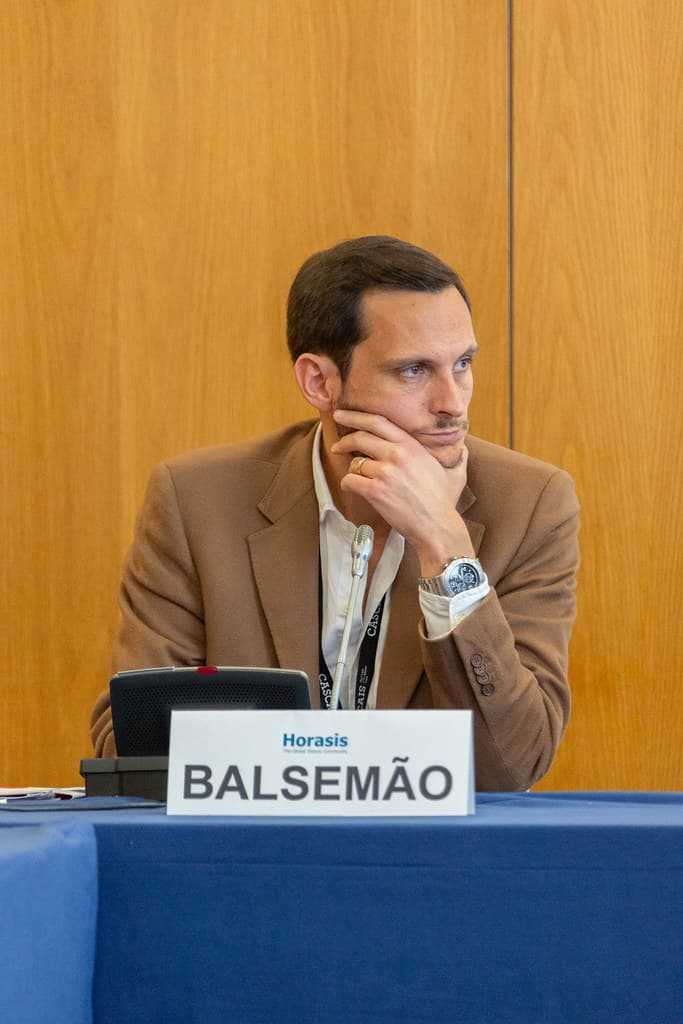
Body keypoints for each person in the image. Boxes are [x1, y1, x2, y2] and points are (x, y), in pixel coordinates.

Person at [90, 235, 579, 790]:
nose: (452, 403)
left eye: (462, 364)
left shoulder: (531, 506)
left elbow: (514, 764)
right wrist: (312, 769)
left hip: (430, 844)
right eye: (413, 370)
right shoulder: (197, 501)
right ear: (319, 382)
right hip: (253, 837)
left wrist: (447, 550)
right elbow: (128, 746)